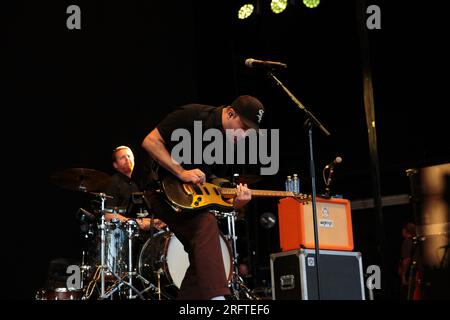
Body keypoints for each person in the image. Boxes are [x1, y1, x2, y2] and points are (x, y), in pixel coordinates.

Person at [141, 95, 265, 300]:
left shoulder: (230, 145)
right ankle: (217, 299)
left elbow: (215, 188)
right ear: (230, 113)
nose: (243, 136)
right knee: (206, 225)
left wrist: (235, 203)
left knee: (203, 259)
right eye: (242, 127)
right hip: (159, 189)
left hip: (192, 200)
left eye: (248, 133)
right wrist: (181, 172)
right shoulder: (192, 115)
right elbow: (150, 141)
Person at [105, 145, 166, 231]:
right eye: (122, 157)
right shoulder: (113, 182)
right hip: (124, 233)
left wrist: (155, 221)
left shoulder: (139, 182)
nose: (127, 159)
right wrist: (137, 223)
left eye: (129, 156)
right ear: (115, 165)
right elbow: (108, 215)